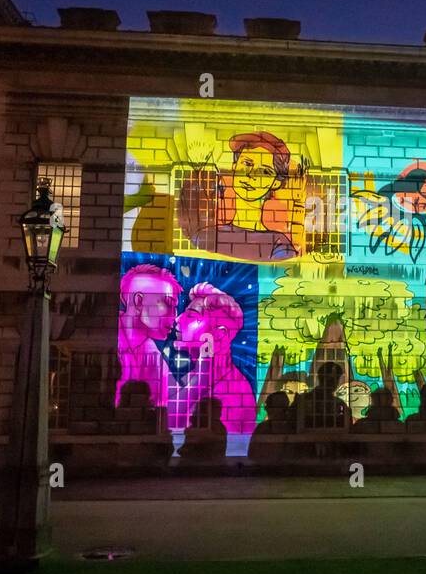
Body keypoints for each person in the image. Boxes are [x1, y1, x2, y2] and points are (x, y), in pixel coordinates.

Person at [184, 131, 298, 262]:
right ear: (234, 166)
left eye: (265, 171)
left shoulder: (279, 245)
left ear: (276, 182)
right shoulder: (207, 237)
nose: (251, 175)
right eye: (247, 164)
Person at [174, 282, 257, 434]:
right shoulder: (196, 376)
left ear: (219, 334)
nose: (178, 319)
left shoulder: (233, 392)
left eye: (191, 315)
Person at [117, 264, 180, 408]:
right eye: (168, 304)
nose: (174, 316)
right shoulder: (110, 340)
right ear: (139, 301)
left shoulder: (156, 361)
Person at [295, 362, 352, 430]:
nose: (333, 383)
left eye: (336, 379)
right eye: (329, 379)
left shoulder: (339, 403)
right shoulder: (339, 403)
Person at [180, 396, 227, 461]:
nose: (220, 413)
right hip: (202, 466)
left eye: (220, 409)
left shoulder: (216, 426)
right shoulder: (199, 426)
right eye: (217, 409)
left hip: (204, 466)